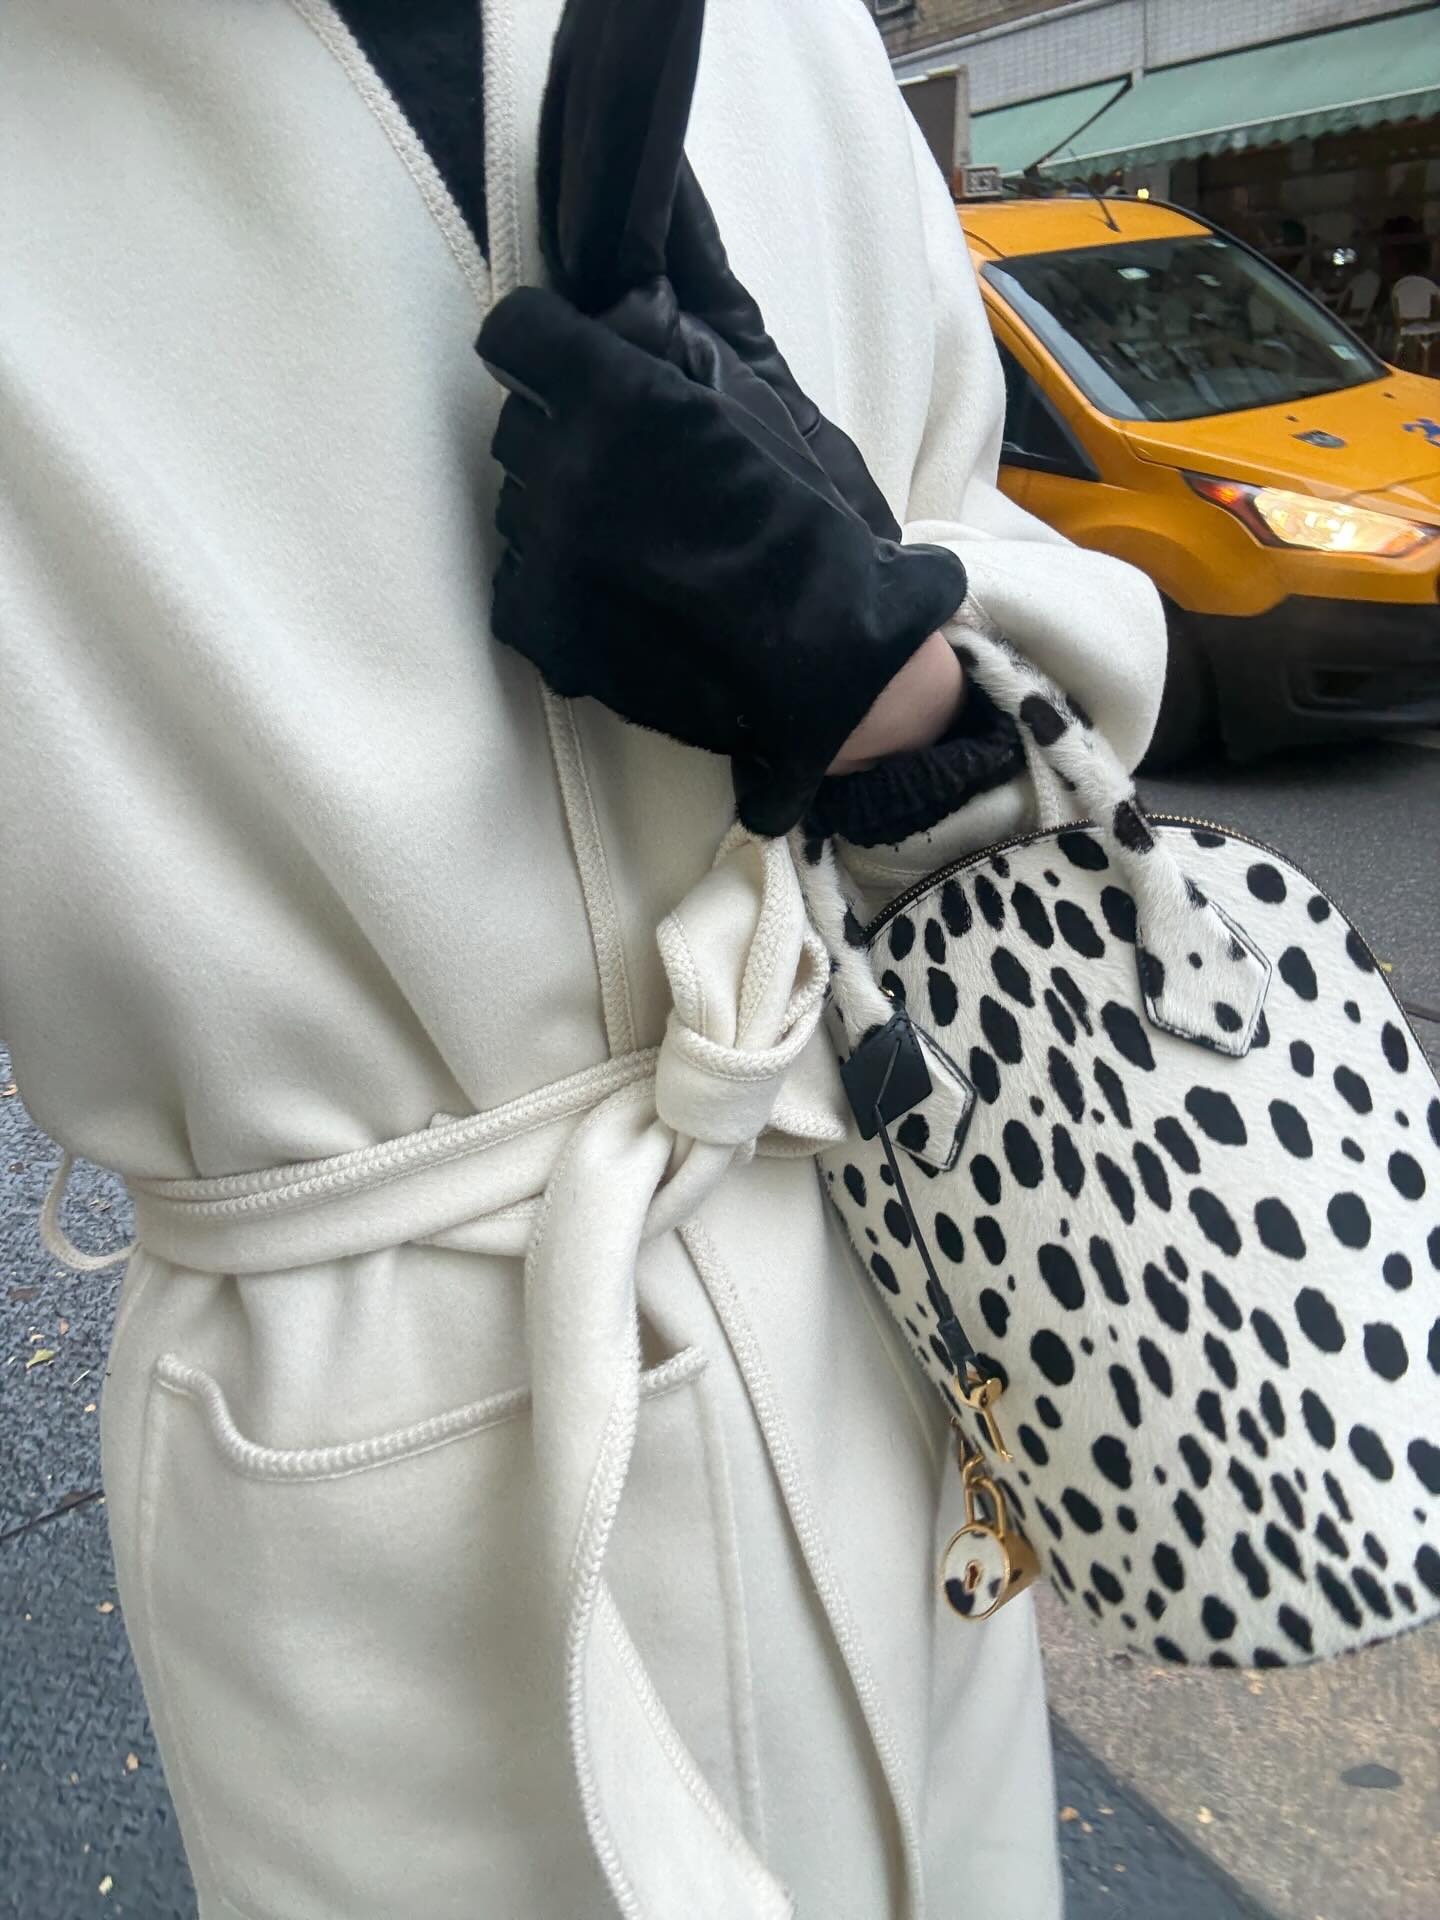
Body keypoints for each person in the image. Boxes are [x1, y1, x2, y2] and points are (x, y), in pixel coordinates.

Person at [0, 3, 1164, 1916]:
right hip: (353, 1445)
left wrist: (888, 667)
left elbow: (996, 564)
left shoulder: (782, 27)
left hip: (860, 1284)